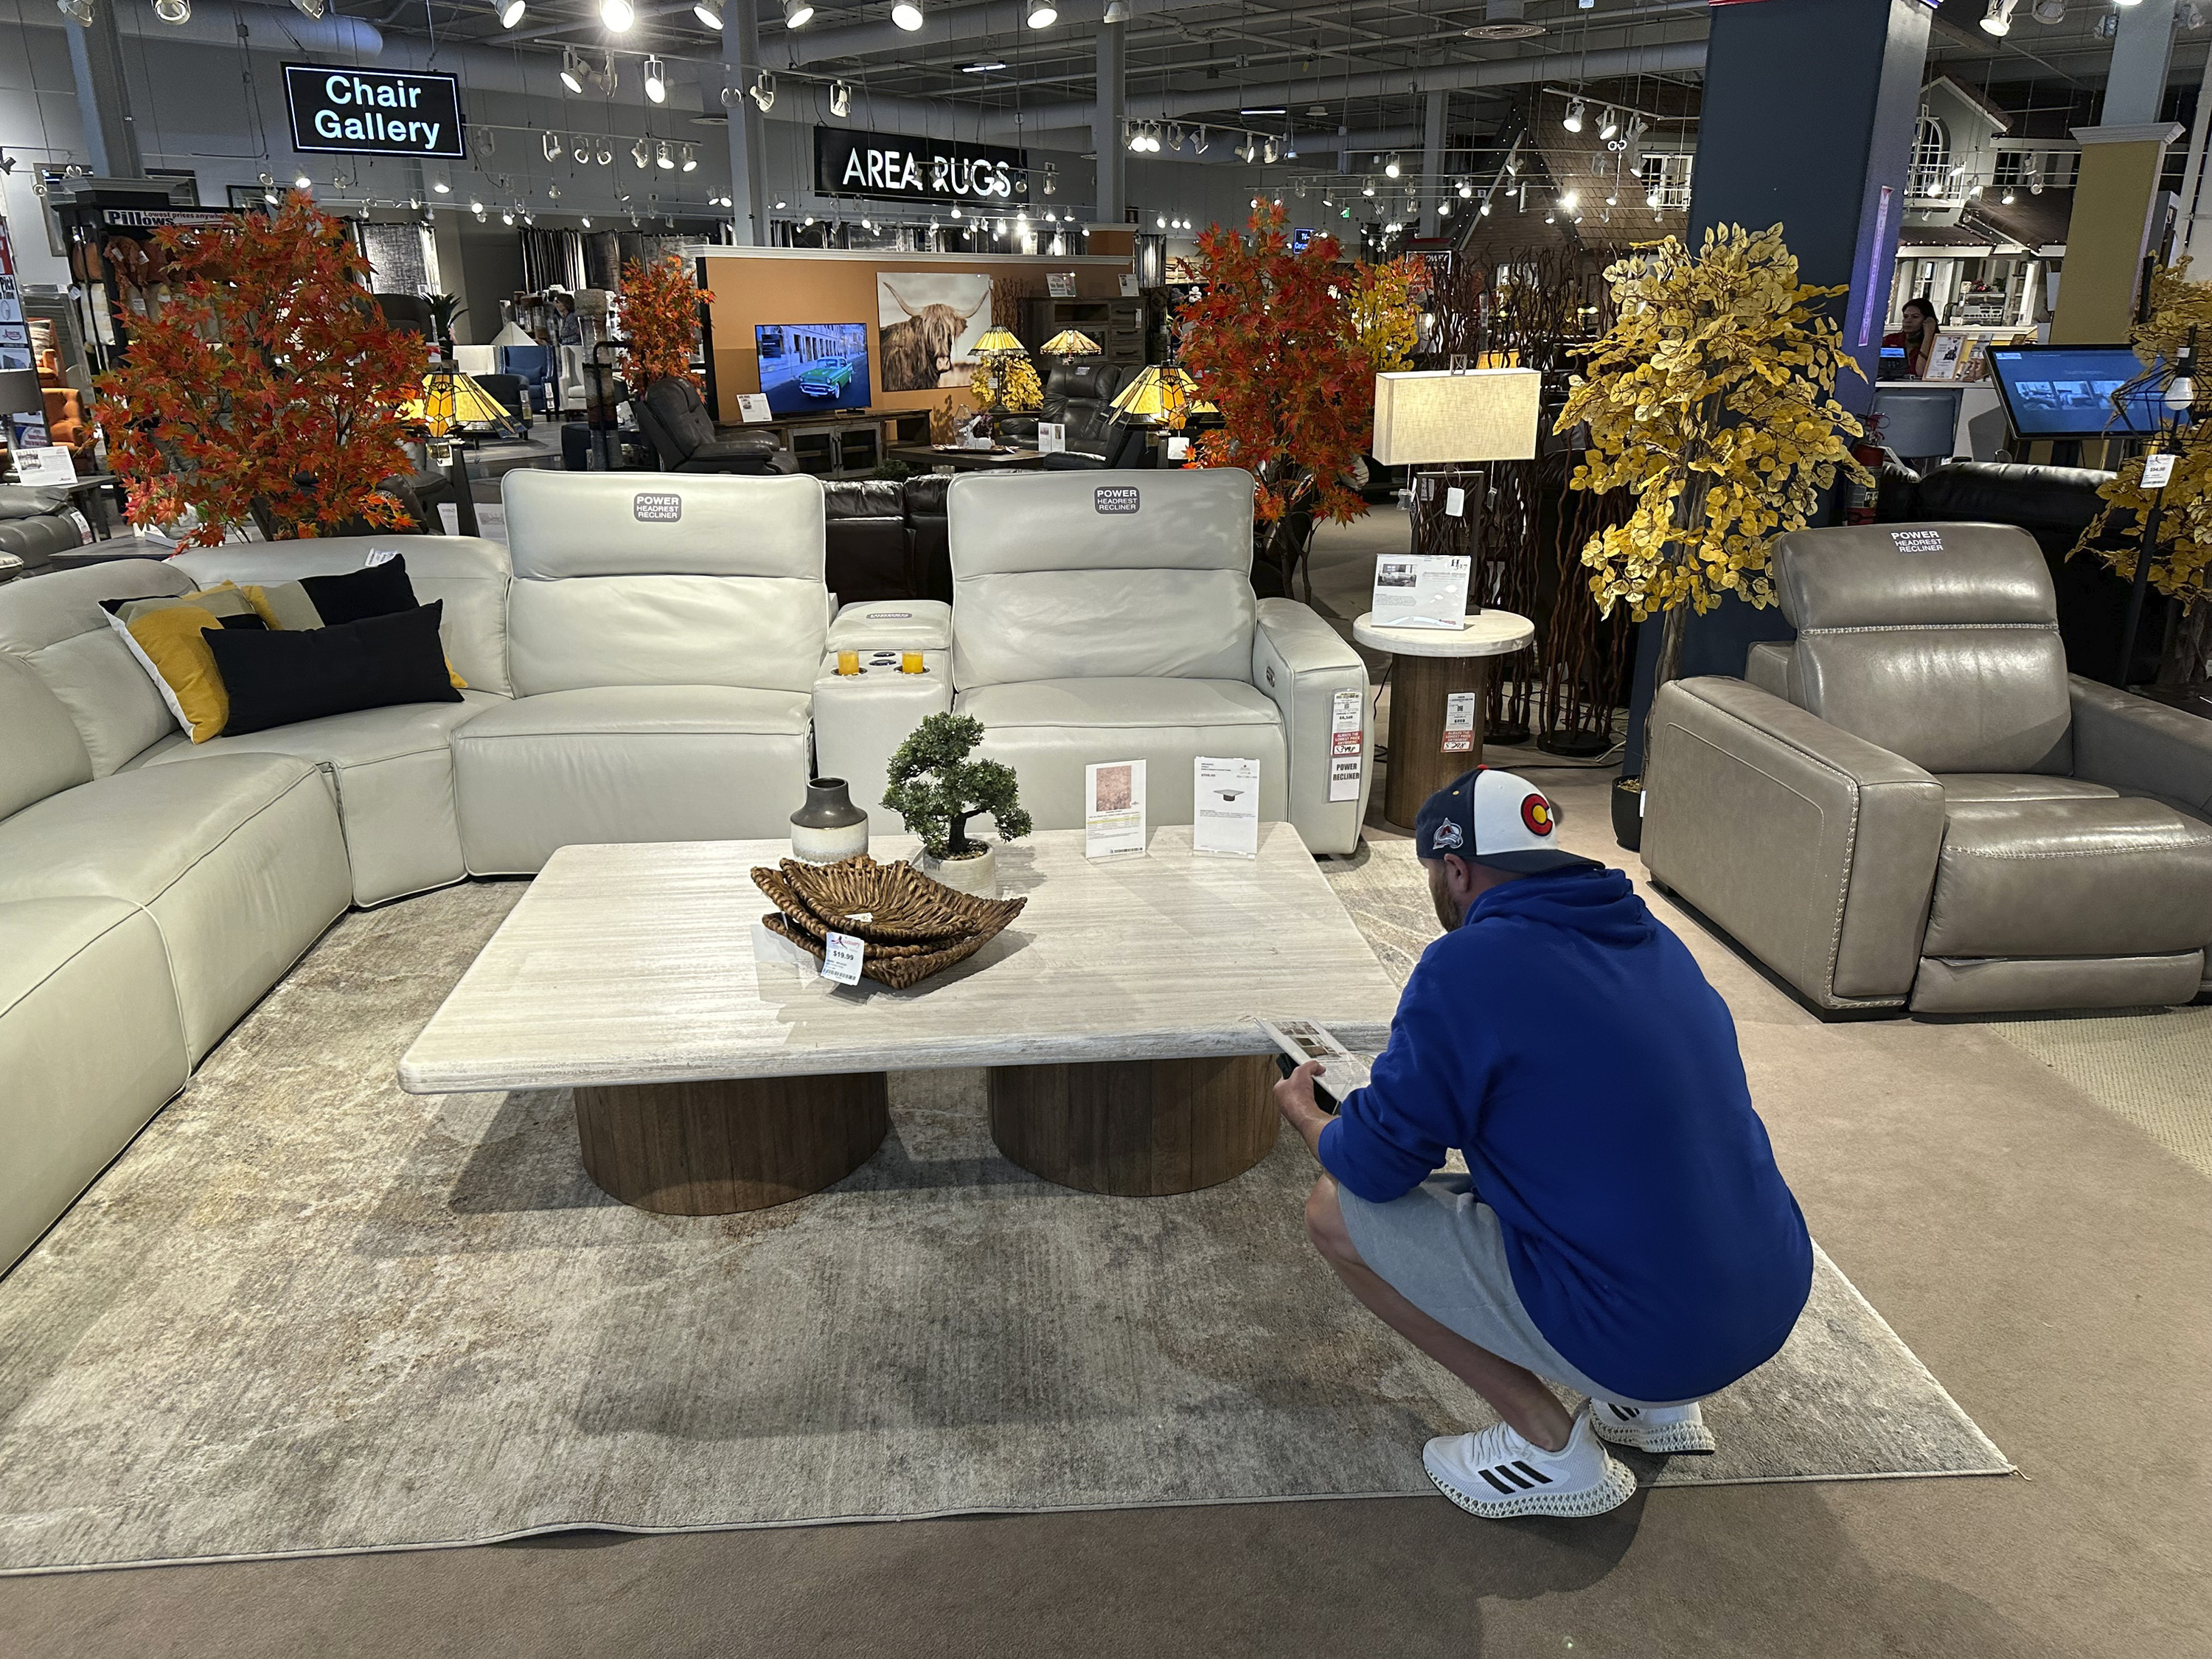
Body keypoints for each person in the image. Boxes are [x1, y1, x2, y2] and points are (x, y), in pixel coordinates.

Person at [1277, 767, 1812, 1520]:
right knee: (1616, 1161)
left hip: (1650, 1331)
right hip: (1767, 1295)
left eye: (1437, 874)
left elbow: (1378, 1163)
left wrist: (1310, 1120)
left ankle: (1548, 1452)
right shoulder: (1654, 938)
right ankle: (1654, 1410)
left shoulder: (1467, 965)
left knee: (1337, 1211)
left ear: (1455, 869)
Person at [1883, 296, 1939, 379]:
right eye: (1905, 316)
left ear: (1927, 320)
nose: (1908, 321)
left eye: (1915, 317)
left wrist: (1928, 336)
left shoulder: (1938, 344)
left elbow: (1920, 372)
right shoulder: (1891, 340)